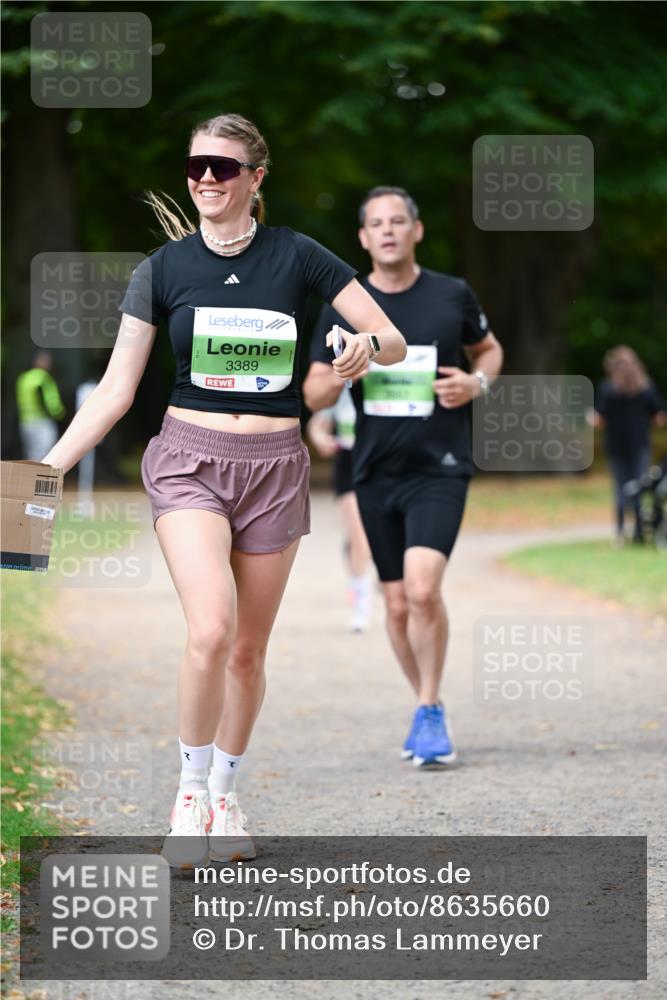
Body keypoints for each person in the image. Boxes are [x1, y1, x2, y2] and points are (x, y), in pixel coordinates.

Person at [41, 115, 406, 868]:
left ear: (255, 178)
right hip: (189, 461)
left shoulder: (298, 256)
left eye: (223, 167)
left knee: (246, 650)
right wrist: (48, 470)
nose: (206, 178)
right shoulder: (161, 271)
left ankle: (226, 792)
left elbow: (391, 336)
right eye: (196, 166)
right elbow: (114, 391)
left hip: (274, 466)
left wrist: (362, 349)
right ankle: (187, 795)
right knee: (209, 629)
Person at [303, 186, 503, 768]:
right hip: (373, 470)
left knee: (421, 587)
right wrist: (344, 370)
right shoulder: (345, 304)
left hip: (439, 465)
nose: (388, 230)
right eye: (376, 224)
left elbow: (489, 351)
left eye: (398, 221)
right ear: (363, 238)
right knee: (394, 604)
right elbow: (312, 392)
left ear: (417, 230)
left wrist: (476, 384)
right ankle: (424, 707)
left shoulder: (451, 294)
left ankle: (430, 705)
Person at [306, 387, 374, 632]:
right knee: (360, 536)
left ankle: (368, 570)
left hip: (386, 464)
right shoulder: (344, 386)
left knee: (377, 535)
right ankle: (361, 606)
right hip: (349, 465)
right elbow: (317, 425)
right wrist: (321, 439)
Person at [593, 346, 666, 544]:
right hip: (640, 445)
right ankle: (639, 532)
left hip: (616, 446)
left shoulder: (608, 389)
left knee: (620, 489)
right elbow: (659, 417)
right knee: (639, 487)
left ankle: (620, 532)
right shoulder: (646, 388)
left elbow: (600, 420)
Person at [16, 351, 66, 460]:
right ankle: (40, 476)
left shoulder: (24, 378)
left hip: (25, 422)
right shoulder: (42, 377)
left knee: (31, 453)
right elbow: (50, 402)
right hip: (42, 421)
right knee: (46, 453)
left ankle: (28, 476)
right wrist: (60, 414)